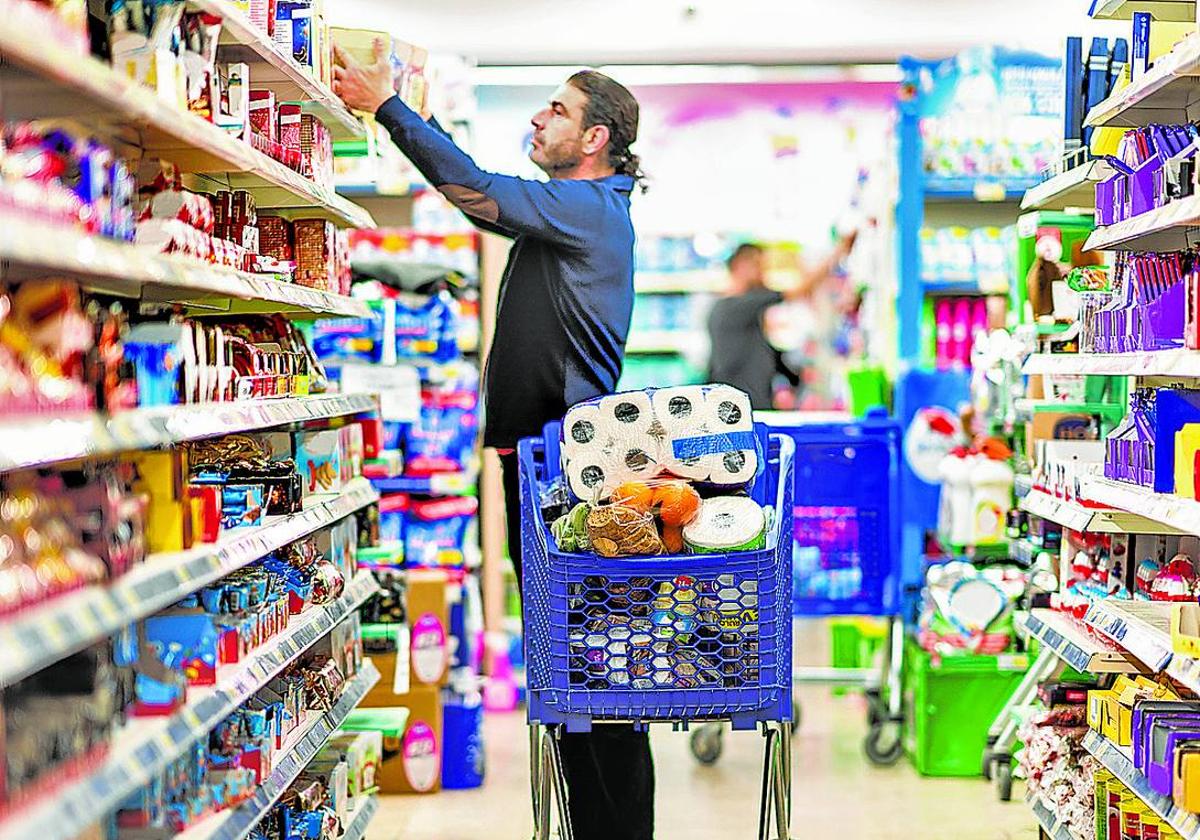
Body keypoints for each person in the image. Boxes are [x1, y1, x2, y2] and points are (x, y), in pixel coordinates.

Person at [333, 44, 653, 840]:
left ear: (595, 140)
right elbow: (485, 191)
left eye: (558, 109)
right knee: (577, 677)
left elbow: (475, 194)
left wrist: (390, 109)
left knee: (596, 677)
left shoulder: (590, 211)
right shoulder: (571, 214)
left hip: (570, 482)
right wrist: (415, 111)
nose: (539, 118)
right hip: (547, 470)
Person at [706, 237, 854, 410]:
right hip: (744, 406)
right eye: (758, 265)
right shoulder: (739, 305)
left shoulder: (726, 309)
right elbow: (800, 290)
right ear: (742, 266)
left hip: (739, 405)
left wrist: (792, 376)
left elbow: (754, 350)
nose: (763, 273)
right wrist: (840, 251)